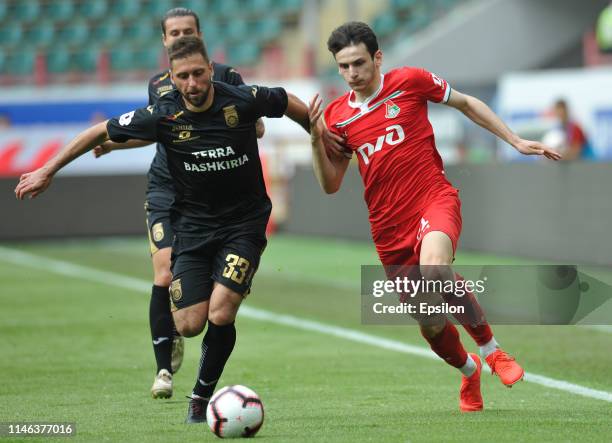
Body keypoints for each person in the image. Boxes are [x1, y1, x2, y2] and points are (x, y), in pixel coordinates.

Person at [15, 35, 311, 423]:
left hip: (244, 223)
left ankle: (200, 399)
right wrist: (46, 170)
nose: (193, 83)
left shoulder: (242, 99)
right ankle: (206, 294)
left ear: (210, 70)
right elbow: (99, 131)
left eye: (199, 74)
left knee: (222, 312)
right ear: (172, 77)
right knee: (189, 324)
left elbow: (287, 101)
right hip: (193, 227)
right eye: (184, 76)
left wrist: (319, 135)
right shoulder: (163, 113)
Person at [308, 22, 562, 412]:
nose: (352, 74)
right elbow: (330, 184)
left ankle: (493, 351)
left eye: (358, 63)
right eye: (343, 67)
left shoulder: (410, 82)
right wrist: (315, 139)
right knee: (429, 322)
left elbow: (466, 103)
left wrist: (515, 140)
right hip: (388, 229)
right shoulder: (339, 118)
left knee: (435, 268)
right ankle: (468, 372)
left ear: (377, 58)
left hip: (433, 199)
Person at [93, 7, 266, 399]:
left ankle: (213, 287)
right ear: (164, 40)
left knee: (201, 299)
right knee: (162, 273)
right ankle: (164, 370)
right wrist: (113, 143)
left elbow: (250, 121)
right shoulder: (159, 84)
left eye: (187, 30)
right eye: (173, 32)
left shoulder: (226, 77)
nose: (179, 36)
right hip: (167, 186)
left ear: (201, 37)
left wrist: (253, 125)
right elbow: (160, 129)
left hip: (210, 190)